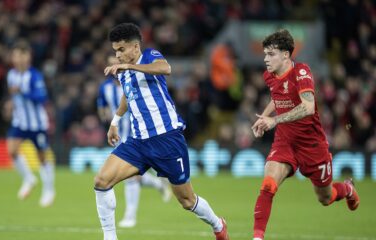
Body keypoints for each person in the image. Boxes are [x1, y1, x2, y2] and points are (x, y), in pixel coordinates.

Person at [93, 23, 229, 240]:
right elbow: (128, 96)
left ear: (135, 47)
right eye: (115, 51)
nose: (117, 55)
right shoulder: (124, 72)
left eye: (121, 50)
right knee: (101, 181)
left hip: (167, 139)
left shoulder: (148, 56)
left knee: (187, 201)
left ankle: (217, 224)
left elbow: (165, 68)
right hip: (138, 142)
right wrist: (115, 122)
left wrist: (130, 67)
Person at [251, 29, 360, 240]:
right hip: (285, 142)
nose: (265, 59)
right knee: (267, 185)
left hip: (312, 145)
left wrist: (274, 120)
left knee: (325, 198)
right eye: (264, 54)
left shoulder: (301, 72)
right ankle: (257, 238)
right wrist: (264, 117)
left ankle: (346, 188)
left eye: (270, 54)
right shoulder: (269, 75)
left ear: (285, 54)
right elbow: (278, 97)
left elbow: (308, 107)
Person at [97, 55, 171, 228]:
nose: (114, 67)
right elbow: (101, 105)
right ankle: (157, 184)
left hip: (136, 134)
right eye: (110, 64)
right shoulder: (105, 88)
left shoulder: (132, 80)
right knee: (128, 175)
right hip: (118, 135)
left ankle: (130, 216)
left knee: (131, 177)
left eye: (115, 62)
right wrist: (106, 117)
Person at [6, 40, 55, 207]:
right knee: (12, 150)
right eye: (16, 55)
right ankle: (29, 178)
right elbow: (14, 97)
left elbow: (42, 98)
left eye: (22, 55)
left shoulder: (34, 76)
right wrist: (10, 104)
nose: (18, 59)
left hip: (37, 124)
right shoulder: (11, 75)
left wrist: (22, 92)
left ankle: (49, 189)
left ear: (28, 57)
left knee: (42, 157)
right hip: (19, 122)